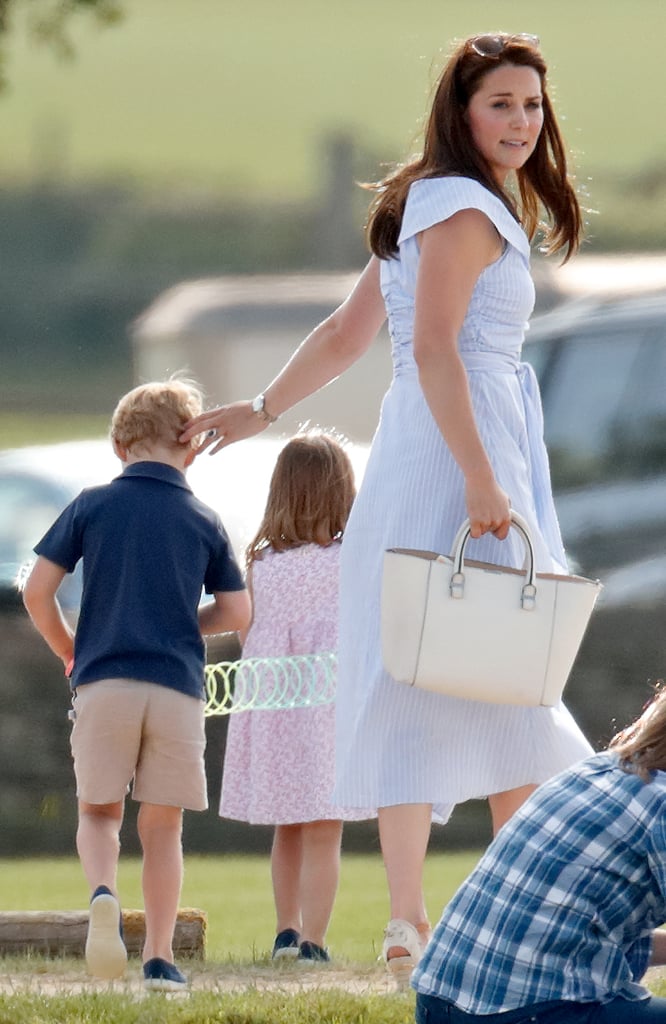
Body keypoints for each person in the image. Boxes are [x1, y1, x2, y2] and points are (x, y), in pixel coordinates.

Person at [180, 32, 592, 986]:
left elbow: (344, 333)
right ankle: (480, 915)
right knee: (506, 672)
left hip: (433, 440)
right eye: (502, 104)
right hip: (461, 443)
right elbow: (438, 349)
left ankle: (414, 919)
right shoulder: (459, 206)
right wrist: (484, 481)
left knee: (427, 670)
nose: (522, 123)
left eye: (532, 106)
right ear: (461, 109)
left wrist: (263, 409)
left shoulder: (432, 202)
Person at [22, 379, 251, 991]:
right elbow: (237, 613)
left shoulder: (92, 504)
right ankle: (158, 956)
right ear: (192, 450)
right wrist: (184, 625)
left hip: (104, 683)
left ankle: (103, 894)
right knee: (163, 826)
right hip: (176, 688)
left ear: (120, 446)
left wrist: (70, 647)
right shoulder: (204, 518)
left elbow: (35, 590)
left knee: (99, 812)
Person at [412, 687, 666, 1023]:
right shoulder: (660, 804)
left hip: (438, 1006)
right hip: (531, 1010)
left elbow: (563, 930)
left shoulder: (596, 770)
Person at [220, 431, 372, 963]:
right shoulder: (353, 559)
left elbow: (249, 638)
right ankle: (315, 941)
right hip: (327, 711)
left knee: (287, 825)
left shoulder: (260, 565)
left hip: (275, 708)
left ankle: (286, 930)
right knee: (324, 830)